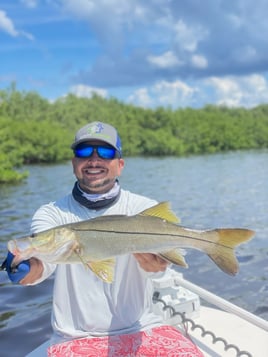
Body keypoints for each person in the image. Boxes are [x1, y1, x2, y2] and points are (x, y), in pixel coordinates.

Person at [5, 121, 203, 356]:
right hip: (75, 337)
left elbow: (160, 269)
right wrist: (24, 267)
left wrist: (158, 266)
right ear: (73, 163)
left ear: (120, 165)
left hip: (142, 327)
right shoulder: (51, 214)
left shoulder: (142, 208)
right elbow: (42, 266)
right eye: (84, 151)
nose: (94, 160)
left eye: (106, 152)